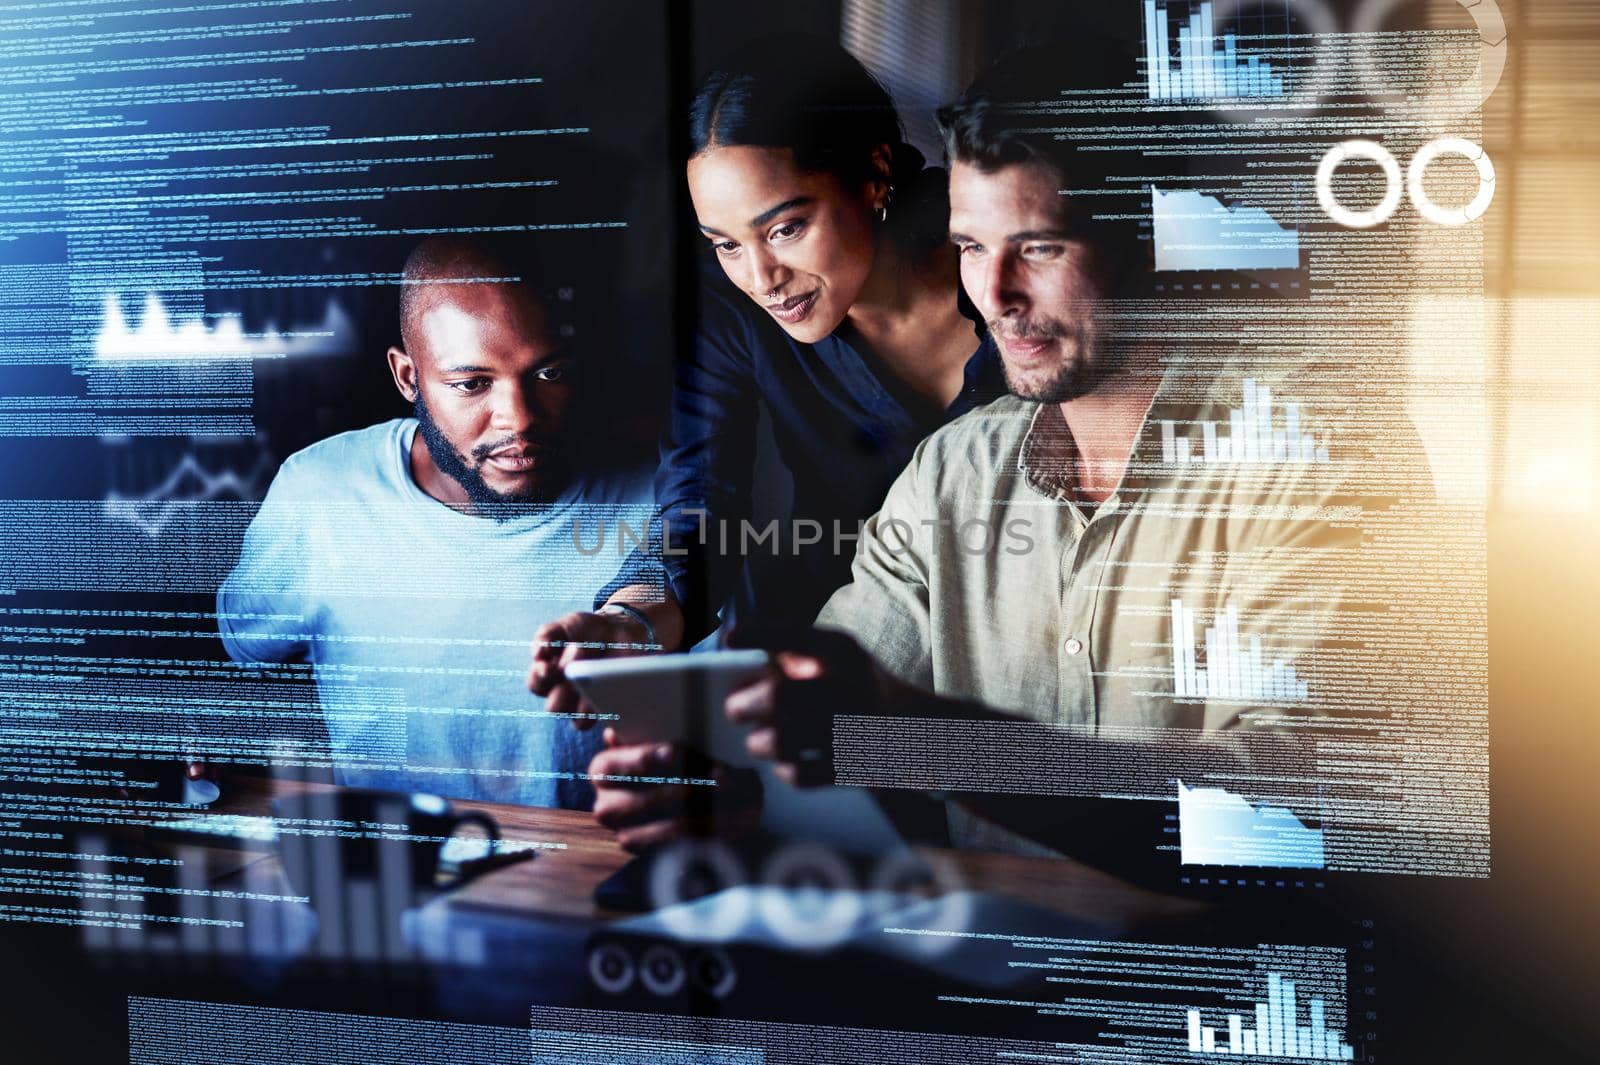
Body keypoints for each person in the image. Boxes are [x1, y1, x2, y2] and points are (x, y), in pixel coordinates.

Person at [584, 46, 1432, 859]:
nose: (992, 297)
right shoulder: (952, 472)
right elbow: (825, 716)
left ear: (1152, 230)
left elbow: (1299, 809)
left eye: (1040, 247)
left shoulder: (1320, 449)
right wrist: (725, 781)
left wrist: (941, 743)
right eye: (971, 248)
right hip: (980, 977)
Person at [529, 36, 1003, 735]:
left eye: (785, 228)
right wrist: (628, 621)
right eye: (725, 244)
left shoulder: (1005, 262)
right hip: (812, 665)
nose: (759, 277)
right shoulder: (730, 320)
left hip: (1008, 663)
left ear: (875, 174)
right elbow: (700, 509)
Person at [216, 236, 652, 809]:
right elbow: (242, 664)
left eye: (548, 374)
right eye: (472, 384)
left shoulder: (660, 494)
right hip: (393, 880)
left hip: (590, 882)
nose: (517, 419)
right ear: (407, 377)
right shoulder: (322, 492)